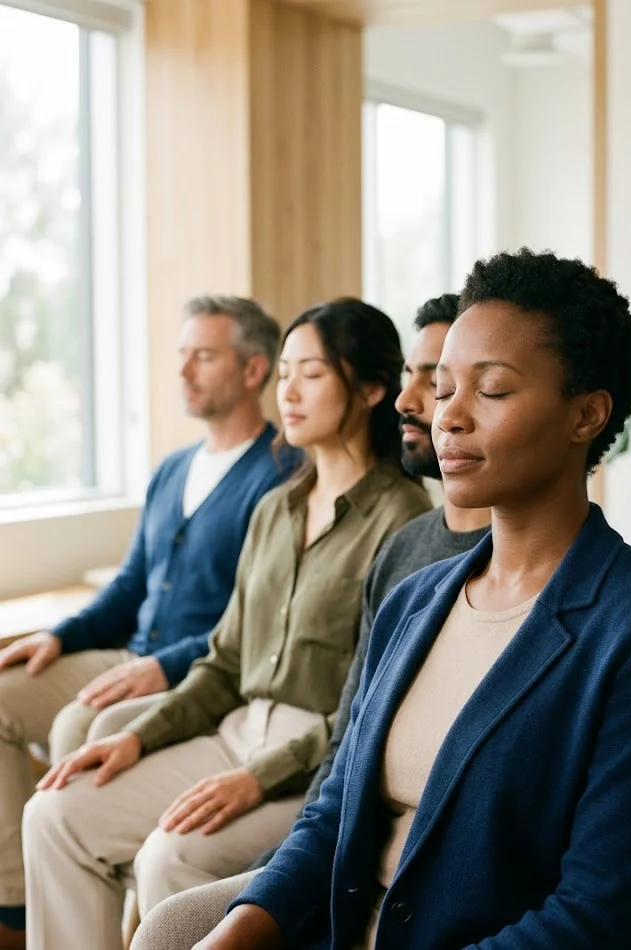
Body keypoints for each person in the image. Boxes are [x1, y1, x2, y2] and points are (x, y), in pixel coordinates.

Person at [189, 249, 631, 950]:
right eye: (443, 389)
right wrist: (231, 934)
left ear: (585, 415)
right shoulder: (416, 600)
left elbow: (598, 919)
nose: (450, 418)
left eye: (491, 391)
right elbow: (333, 815)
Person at [21, 298, 432, 950]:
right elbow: (225, 659)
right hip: (235, 729)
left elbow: (371, 715)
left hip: (313, 760)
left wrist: (256, 779)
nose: (288, 391)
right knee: (53, 815)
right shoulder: (275, 509)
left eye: (312, 373)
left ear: (371, 389)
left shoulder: (405, 523)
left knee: (171, 856)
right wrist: (138, 738)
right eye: (285, 372)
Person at [0, 294, 300, 950]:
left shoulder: (282, 477)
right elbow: (131, 585)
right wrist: (60, 636)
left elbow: (252, 624)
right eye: (181, 356)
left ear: (253, 371)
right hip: (129, 656)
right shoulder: (173, 468)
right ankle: (17, 903)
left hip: (195, 668)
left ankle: (100, 908)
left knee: (81, 729)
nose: (184, 371)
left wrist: (160, 667)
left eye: (204, 355)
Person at [246, 292, 491, 873]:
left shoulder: (401, 520)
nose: (413, 401)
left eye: (440, 382)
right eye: (419, 377)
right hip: (353, 841)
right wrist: (290, 873)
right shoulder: (405, 551)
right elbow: (352, 737)